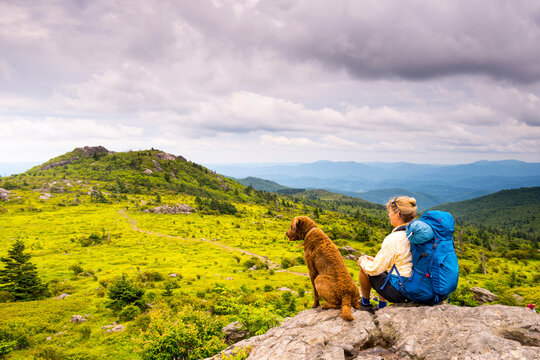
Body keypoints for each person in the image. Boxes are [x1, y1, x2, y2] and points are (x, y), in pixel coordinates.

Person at [357, 196, 417, 311]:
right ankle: (381, 306)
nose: (389, 215)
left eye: (390, 212)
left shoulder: (395, 238)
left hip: (402, 292)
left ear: (398, 215)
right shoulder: (416, 234)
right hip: (419, 285)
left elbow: (375, 270)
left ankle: (365, 304)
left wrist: (362, 262)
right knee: (383, 268)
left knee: (365, 267)